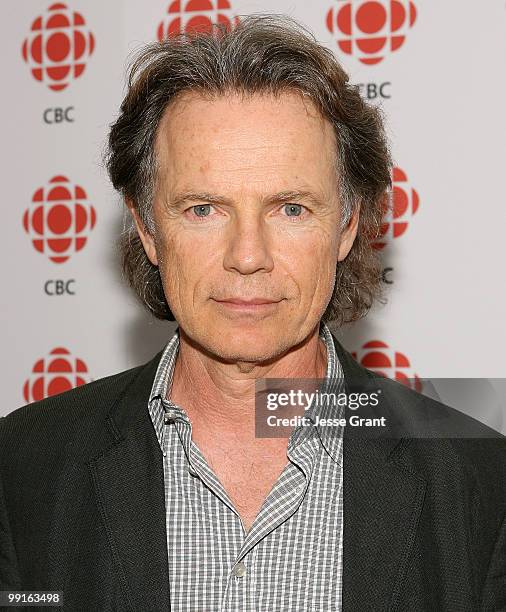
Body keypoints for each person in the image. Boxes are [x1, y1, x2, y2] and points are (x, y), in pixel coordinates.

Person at [1, 14, 505, 612]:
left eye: (291, 209)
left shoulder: (478, 481)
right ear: (147, 228)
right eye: (203, 208)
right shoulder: (25, 465)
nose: (247, 257)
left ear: (346, 225)